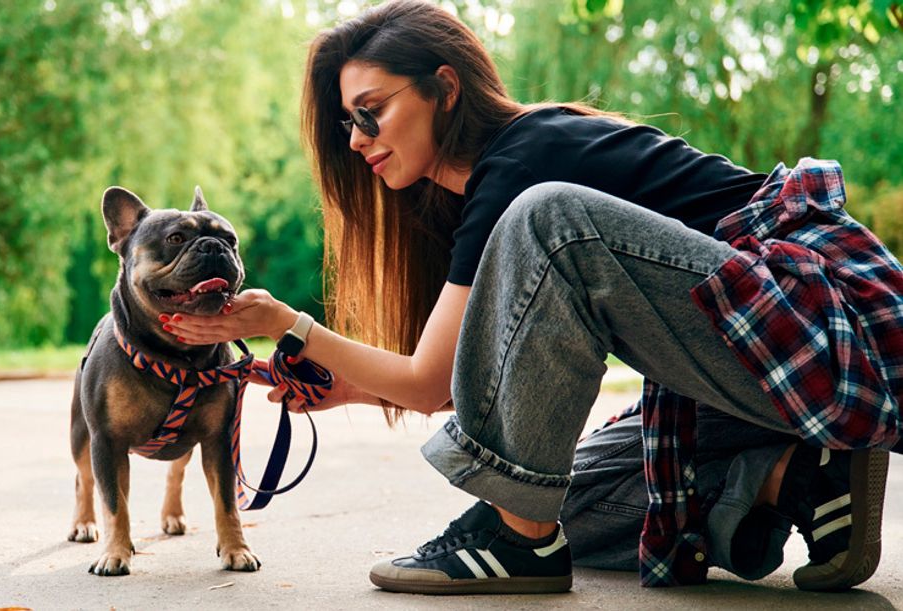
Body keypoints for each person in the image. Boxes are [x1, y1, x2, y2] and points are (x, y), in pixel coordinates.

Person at [162, 0, 902, 595]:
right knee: (566, 499)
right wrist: (346, 387)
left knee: (550, 222)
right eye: (346, 124)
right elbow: (497, 384)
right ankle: (799, 479)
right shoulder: (483, 193)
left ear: (444, 88)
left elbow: (427, 383)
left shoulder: (523, 162)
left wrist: (285, 323)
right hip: (743, 360)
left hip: (822, 322)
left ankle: (515, 544)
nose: (356, 140)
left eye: (370, 111)